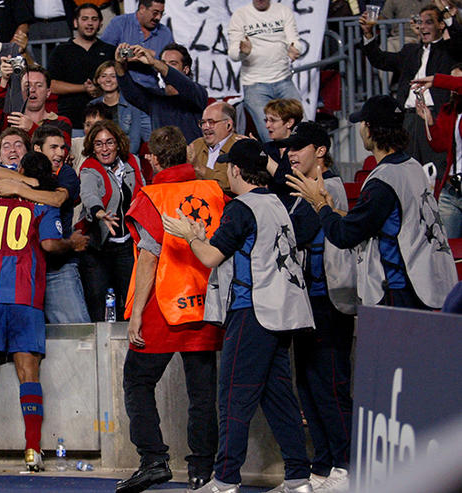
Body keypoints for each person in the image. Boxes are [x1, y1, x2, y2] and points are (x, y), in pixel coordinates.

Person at [162, 138, 314, 493]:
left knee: (233, 397)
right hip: (281, 313)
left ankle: (226, 480)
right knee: (279, 398)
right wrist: (202, 237)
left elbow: (211, 257)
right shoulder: (276, 202)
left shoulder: (241, 208)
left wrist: (189, 236)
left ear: (234, 170)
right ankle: (298, 478)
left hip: (252, 312)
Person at [116, 126, 225, 493]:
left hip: (163, 306)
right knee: (202, 392)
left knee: (137, 380)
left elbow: (149, 258)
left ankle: (153, 459)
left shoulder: (152, 196)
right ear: (187, 154)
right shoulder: (213, 191)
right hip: (206, 302)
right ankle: (202, 469)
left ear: (153, 158)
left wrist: (135, 314)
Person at [0, 151, 79, 474]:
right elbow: (51, 245)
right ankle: (32, 451)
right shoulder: (44, 205)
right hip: (26, 297)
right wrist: (72, 243)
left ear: (21, 170)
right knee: (29, 373)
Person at [287, 95, 457, 310]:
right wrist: (332, 210)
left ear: (369, 128)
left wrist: (319, 205)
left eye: (361, 123)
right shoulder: (412, 166)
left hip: (398, 288)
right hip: (425, 281)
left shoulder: (383, 180)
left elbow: (344, 236)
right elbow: (383, 221)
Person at [275, 122, 356, 493]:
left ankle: (346, 465)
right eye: (289, 148)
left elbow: (296, 232)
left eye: (299, 147)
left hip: (329, 302)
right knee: (308, 384)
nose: (291, 154)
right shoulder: (302, 188)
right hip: (306, 302)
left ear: (321, 151)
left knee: (330, 385)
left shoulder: (329, 186)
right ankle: (322, 465)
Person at [359, 3, 462, 179]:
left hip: (433, 118)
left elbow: (459, 43)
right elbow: (380, 60)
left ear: (440, 25)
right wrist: (368, 34)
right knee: (408, 173)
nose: (423, 27)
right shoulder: (410, 51)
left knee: (435, 173)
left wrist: (448, 16)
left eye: (429, 22)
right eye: (420, 22)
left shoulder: (449, 51)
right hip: (407, 119)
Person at [78, 119, 145, 321]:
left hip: (127, 245)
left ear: (118, 144)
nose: (104, 149)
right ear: (92, 147)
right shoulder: (89, 168)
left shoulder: (132, 162)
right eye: (98, 144)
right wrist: (99, 213)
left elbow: (142, 193)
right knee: (100, 304)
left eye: (109, 142)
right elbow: (89, 194)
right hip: (99, 248)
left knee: (130, 300)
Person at [32, 125, 90, 324]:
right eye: (53, 147)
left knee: (77, 332)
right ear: (37, 149)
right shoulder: (22, 172)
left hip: (58, 268)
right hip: (27, 269)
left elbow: (57, 200)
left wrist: (17, 188)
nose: (60, 153)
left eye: (62, 147)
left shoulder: (67, 173)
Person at [227, 0, 302, 143]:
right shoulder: (241, 15)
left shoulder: (283, 11)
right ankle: (277, 158)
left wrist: (295, 49)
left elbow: (295, 41)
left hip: (284, 80)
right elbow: (233, 54)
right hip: (254, 85)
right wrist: (243, 52)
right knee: (270, 133)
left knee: (301, 128)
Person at [115, 42, 208, 143]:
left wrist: (155, 63)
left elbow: (180, 81)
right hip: (161, 152)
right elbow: (128, 89)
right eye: (163, 62)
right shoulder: (154, 98)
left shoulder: (197, 93)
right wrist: (119, 63)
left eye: (173, 63)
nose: (165, 66)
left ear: (186, 70)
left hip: (191, 152)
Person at [48, 3, 115, 134]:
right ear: (75, 22)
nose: (90, 23)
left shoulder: (110, 51)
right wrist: (83, 88)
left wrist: (100, 90)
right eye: (85, 19)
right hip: (70, 121)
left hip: (105, 122)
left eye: (94, 19)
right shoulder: (61, 51)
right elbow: (52, 85)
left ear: (101, 23)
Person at [414, 64, 462, 238]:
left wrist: (436, 80)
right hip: (451, 189)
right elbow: (440, 145)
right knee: (446, 246)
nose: (452, 87)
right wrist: (430, 122)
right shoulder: (448, 110)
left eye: (456, 81)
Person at [0, 63, 73, 147]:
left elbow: (62, 150)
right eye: (27, 85)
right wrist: (4, 80)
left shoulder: (61, 123)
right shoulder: (14, 122)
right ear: (21, 91)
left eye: (39, 85)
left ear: (48, 92)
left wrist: (32, 128)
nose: (32, 89)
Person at [99, 0, 172, 91]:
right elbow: (103, 51)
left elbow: (170, 64)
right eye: (155, 13)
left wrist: (153, 57)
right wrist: (132, 53)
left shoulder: (165, 33)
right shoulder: (120, 23)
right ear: (142, 9)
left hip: (151, 90)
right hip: (120, 89)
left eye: (161, 13)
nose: (158, 17)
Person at [89, 60, 150, 154]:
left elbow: (135, 141)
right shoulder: (92, 105)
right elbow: (89, 138)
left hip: (126, 156)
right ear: (97, 80)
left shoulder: (132, 105)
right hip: (99, 155)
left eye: (113, 76)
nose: (108, 80)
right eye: (103, 76)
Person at [188, 101, 240, 194]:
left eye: (211, 122)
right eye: (203, 122)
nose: (205, 127)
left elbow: (231, 183)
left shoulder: (239, 147)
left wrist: (199, 168)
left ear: (228, 125)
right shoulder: (196, 145)